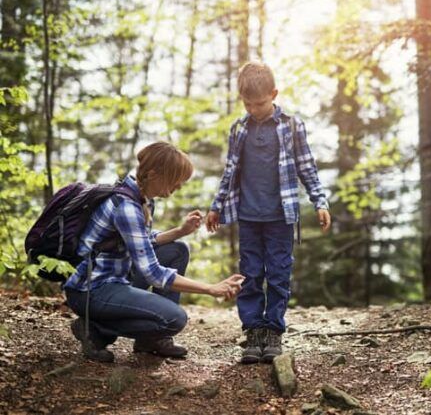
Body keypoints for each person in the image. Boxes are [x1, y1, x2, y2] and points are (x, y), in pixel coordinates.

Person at [64, 141, 244, 363]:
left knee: (177, 250)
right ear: (153, 174)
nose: (179, 186)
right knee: (174, 319)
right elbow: (153, 273)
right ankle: (95, 330)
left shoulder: (142, 197)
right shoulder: (127, 207)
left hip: (117, 277)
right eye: (175, 179)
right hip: (92, 290)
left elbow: (142, 242)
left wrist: (180, 231)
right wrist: (210, 289)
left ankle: (150, 341)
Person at [206, 61, 331, 364]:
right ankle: (253, 330)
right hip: (248, 217)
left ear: (274, 94)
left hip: (281, 217)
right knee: (250, 274)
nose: (254, 108)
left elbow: (306, 166)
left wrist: (320, 201)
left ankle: (273, 330)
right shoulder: (238, 129)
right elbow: (230, 172)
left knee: (278, 274)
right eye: (248, 103)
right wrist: (217, 205)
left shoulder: (290, 125)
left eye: (260, 103)